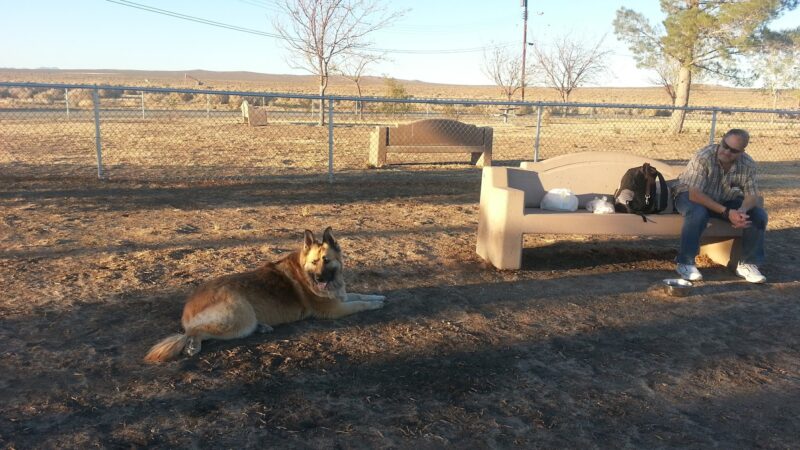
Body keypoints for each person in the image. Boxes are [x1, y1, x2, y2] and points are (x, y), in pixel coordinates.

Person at [673, 129, 768, 283]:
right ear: (722, 140)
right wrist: (726, 212)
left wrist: (741, 211)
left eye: (733, 150)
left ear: (742, 151)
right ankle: (685, 262)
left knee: (758, 215)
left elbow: (752, 195)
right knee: (697, 212)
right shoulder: (704, 156)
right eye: (725, 146)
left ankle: (747, 264)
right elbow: (694, 194)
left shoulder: (748, 163)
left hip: (725, 200)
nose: (727, 152)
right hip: (689, 195)